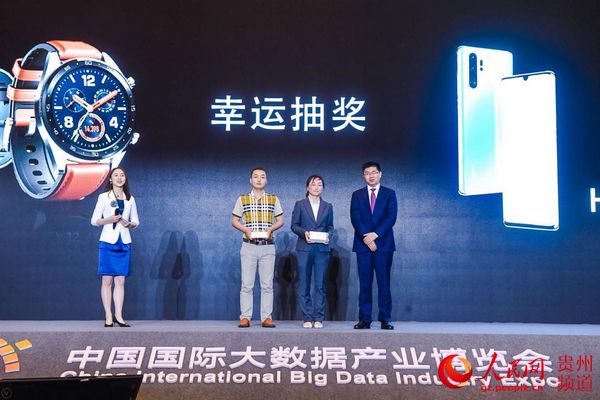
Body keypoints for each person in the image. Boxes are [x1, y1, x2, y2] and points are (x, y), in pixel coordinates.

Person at [231, 167, 284, 328]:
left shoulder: (273, 199)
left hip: (267, 246)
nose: (259, 179)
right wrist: (246, 230)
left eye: (262, 177)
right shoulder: (243, 199)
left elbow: (280, 221)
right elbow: (234, 220)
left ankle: (266, 317)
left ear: (266, 180)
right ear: (250, 180)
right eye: (256, 177)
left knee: (267, 285)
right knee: (247, 284)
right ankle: (245, 317)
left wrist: (271, 229)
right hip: (249, 246)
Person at [350, 161, 397, 330]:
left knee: (384, 282)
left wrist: (375, 235)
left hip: (383, 244)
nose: (371, 176)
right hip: (363, 245)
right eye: (367, 173)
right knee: (365, 283)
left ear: (380, 174)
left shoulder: (389, 194)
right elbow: (355, 218)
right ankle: (364, 319)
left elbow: (391, 217)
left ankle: (385, 318)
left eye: (374, 172)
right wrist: (367, 238)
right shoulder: (357, 195)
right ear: (363, 176)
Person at [91, 167, 139, 327]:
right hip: (107, 242)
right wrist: (109, 219)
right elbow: (94, 220)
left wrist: (129, 223)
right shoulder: (104, 197)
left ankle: (119, 316)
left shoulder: (130, 199)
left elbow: (136, 221)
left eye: (122, 175)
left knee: (120, 281)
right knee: (107, 280)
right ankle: (108, 316)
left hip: (123, 242)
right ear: (111, 179)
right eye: (116, 175)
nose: (119, 178)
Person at [291, 175, 334, 329]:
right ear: (307, 187)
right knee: (304, 284)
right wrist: (305, 233)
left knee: (320, 285)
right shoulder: (300, 204)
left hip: (321, 249)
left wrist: (329, 235)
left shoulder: (328, 206)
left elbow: (330, 226)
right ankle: (307, 317)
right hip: (305, 248)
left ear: (323, 188)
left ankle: (319, 318)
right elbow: (294, 225)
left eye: (319, 184)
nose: (316, 187)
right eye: (313, 184)